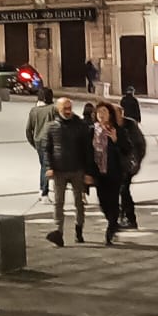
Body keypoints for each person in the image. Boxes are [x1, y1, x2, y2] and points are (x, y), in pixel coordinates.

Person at [42, 96, 93, 246]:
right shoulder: (52, 127)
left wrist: (88, 172)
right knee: (58, 202)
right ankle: (58, 232)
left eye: (70, 107)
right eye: (65, 108)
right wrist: (49, 167)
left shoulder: (80, 125)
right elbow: (46, 149)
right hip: (59, 170)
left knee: (79, 202)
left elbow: (87, 150)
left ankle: (79, 230)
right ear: (58, 109)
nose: (68, 111)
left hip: (77, 169)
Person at [90, 102, 129, 245]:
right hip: (99, 172)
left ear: (110, 114)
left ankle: (111, 228)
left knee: (113, 201)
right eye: (99, 112)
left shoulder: (117, 130)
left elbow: (127, 149)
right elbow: (87, 152)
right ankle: (112, 221)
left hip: (114, 172)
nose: (101, 114)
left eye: (104, 112)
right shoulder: (91, 131)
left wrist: (115, 140)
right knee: (103, 202)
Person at [117, 102, 145, 230]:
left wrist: (137, 161)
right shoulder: (109, 125)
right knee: (118, 192)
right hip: (113, 164)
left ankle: (129, 218)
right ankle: (121, 216)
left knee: (124, 190)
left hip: (127, 165)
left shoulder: (130, 125)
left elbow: (140, 144)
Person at [25, 87, 56, 196]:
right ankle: (44, 191)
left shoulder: (34, 111)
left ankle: (43, 189)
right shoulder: (53, 109)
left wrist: (34, 143)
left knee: (43, 165)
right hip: (50, 141)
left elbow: (28, 130)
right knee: (47, 166)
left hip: (38, 142)